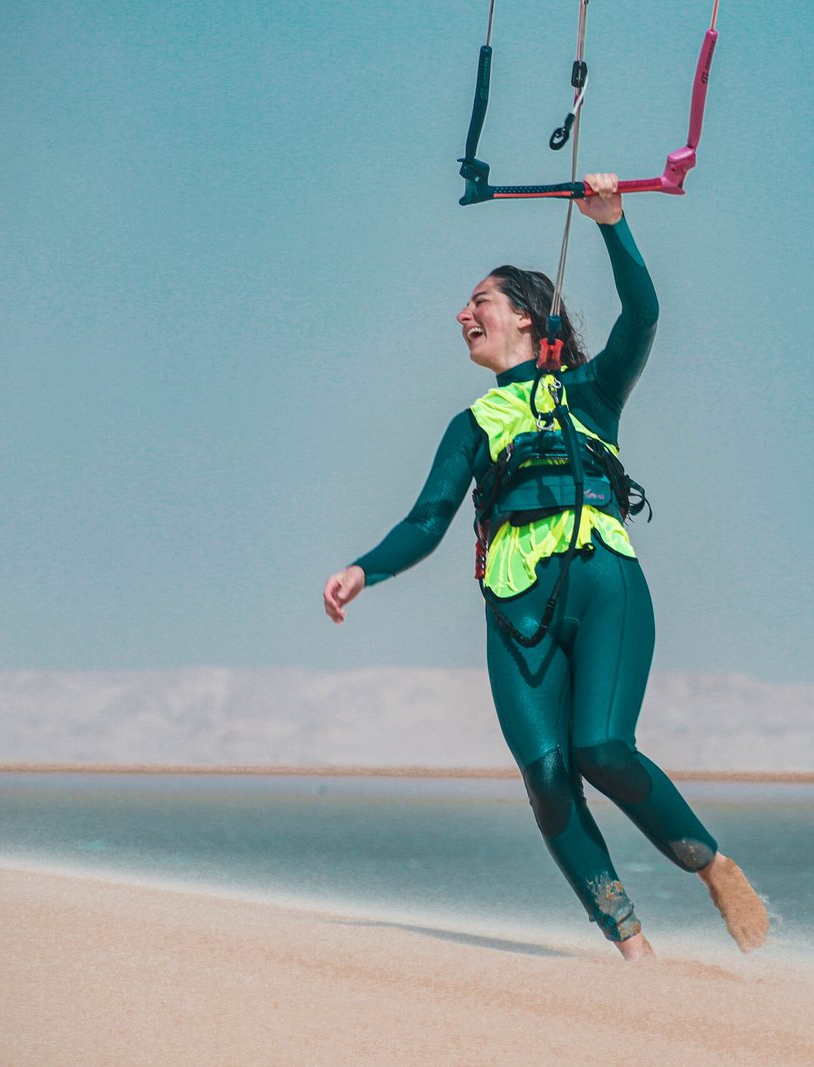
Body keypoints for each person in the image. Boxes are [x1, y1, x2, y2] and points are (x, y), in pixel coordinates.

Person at [322, 174, 768, 960]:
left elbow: (646, 316)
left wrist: (612, 222)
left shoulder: (590, 393)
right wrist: (366, 567)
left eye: (479, 302)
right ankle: (633, 949)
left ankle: (709, 861)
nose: (464, 315)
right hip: (514, 609)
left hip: (602, 583)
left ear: (524, 316)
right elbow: (429, 519)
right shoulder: (472, 423)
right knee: (548, 776)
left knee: (602, 748)